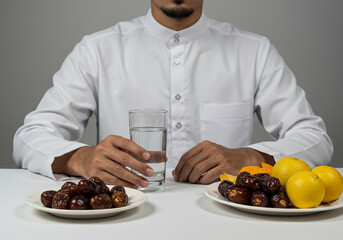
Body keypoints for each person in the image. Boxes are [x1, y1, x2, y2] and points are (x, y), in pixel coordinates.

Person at [13, 0, 333, 189]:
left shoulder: (254, 51)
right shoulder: (97, 50)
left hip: (231, 223)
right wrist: (81, 158)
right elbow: (31, 135)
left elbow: (315, 138)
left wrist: (252, 158)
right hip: (122, 222)